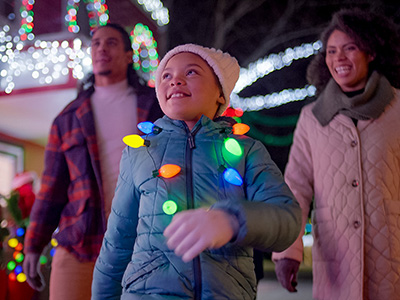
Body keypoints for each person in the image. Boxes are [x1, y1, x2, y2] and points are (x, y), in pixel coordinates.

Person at [91, 44, 302, 299]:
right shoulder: (140, 151)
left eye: (191, 72)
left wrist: (232, 221)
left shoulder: (246, 151)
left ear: (221, 94)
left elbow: (287, 217)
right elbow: (117, 241)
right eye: (166, 75)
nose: (175, 80)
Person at [23, 23, 163, 300]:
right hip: (79, 240)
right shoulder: (69, 117)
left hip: (142, 242)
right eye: (96, 43)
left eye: (110, 43)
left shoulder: (156, 106)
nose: (101, 48)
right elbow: (52, 188)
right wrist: (32, 246)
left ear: (127, 55)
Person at [272, 8, 400, 300]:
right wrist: (286, 251)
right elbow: (296, 187)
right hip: (335, 259)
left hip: (392, 257)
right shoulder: (311, 118)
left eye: (349, 48)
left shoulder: (398, 109)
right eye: (331, 51)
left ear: (371, 52)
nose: (338, 58)